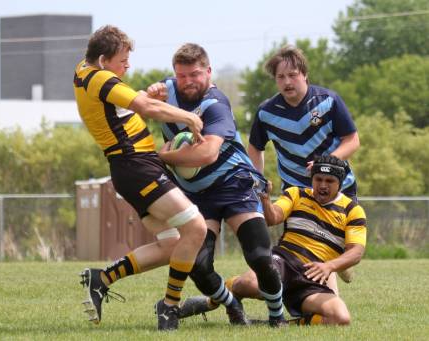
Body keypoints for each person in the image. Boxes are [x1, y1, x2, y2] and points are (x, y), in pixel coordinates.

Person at [73, 25, 208, 331]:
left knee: (173, 243)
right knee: (196, 228)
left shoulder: (84, 70)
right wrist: (187, 116)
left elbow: (124, 109)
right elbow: (144, 107)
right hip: (136, 166)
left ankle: (102, 278)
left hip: (133, 167)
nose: (128, 66)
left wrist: (145, 95)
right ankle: (170, 308)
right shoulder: (100, 78)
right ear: (104, 59)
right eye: (123, 59)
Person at [147, 43, 286, 327]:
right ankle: (232, 305)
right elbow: (138, 102)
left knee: (259, 257)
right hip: (198, 195)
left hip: (235, 186)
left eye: (195, 74)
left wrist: (163, 155)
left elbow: (207, 154)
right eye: (182, 75)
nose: (187, 81)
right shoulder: (167, 90)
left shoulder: (215, 104)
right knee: (197, 265)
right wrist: (147, 93)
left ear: (208, 72)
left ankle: (277, 317)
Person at [181, 155, 367, 325]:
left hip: (314, 276)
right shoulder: (296, 194)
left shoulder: (352, 210)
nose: (323, 185)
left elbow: (356, 252)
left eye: (330, 181)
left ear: (340, 184)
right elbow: (272, 218)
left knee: (340, 318)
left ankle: (275, 324)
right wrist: (265, 199)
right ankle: (216, 298)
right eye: (318, 179)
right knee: (250, 284)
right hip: (284, 262)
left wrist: (329, 267)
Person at [248, 45, 360, 201]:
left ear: (305, 74)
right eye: (280, 77)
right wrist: (257, 182)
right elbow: (255, 148)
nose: (287, 82)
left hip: (340, 188)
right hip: (295, 194)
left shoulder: (328, 101)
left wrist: (323, 164)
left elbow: (352, 140)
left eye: (292, 75)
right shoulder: (266, 112)